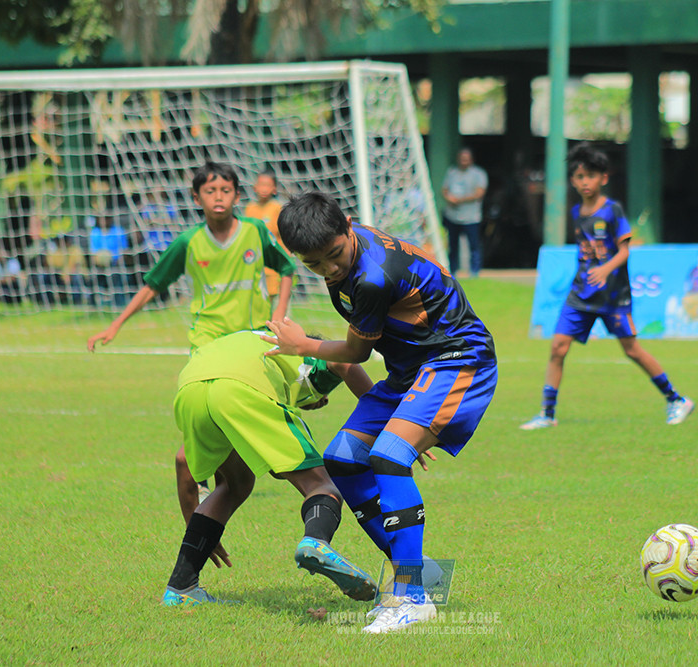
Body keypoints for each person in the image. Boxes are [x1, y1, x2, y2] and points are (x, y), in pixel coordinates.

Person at [262, 192, 498, 633]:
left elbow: (355, 352)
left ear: (349, 225)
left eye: (334, 254)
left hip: (458, 360)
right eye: (314, 264)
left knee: (389, 456)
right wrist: (401, 425)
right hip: (412, 372)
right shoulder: (348, 256)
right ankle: (419, 571)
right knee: (344, 459)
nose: (330, 269)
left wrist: (302, 345)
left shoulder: (372, 276)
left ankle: (411, 597)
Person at [87, 161, 297, 511]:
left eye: (226, 190)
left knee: (249, 407)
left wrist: (278, 314)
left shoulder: (256, 232)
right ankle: (202, 477)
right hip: (207, 341)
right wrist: (116, 324)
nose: (219, 197)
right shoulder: (189, 241)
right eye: (210, 191)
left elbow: (287, 267)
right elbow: (154, 284)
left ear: (237, 195)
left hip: (249, 339)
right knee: (204, 408)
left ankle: (233, 473)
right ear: (196, 197)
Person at [163, 330, 378, 606]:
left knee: (235, 484)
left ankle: (181, 587)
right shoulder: (305, 351)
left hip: (189, 389)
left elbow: (183, 462)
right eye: (317, 402)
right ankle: (315, 541)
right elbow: (345, 363)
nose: (315, 405)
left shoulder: (248, 343)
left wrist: (199, 536)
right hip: (239, 388)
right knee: (321, 485)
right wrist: (389, 427)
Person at [520, 145, 694, 430]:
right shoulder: (577, 212)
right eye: (578, 176)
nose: (584, 182)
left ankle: (677, 400)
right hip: (581, 293)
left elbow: (624, 252)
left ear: (603, 178)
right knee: (558, 348)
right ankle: (547, 414)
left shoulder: (613, 211)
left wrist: (604, 268)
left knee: (632, 350)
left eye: (590, 175)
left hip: (613, 296)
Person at [242, 170, 287, 307]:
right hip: (255, 265)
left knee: (277, 308)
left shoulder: (277, 208)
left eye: (267, 185)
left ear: (274, 189)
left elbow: (284, 235)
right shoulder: (250, 209)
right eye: (261, 184)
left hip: (275, 267)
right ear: (255, 187)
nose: (264, 189)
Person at [441, 147, 488, 278]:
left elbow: (479, 193)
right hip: (453, 216)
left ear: (471, 160)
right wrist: (449, 198)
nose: (464, 162)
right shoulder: (452, 172)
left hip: (471, 217)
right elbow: (444, 190)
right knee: (453, 246)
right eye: (462, 159)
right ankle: (452, 271)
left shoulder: (479, 174)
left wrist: (460, 200)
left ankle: (474, 272)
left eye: (466, 159)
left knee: (473, 245)